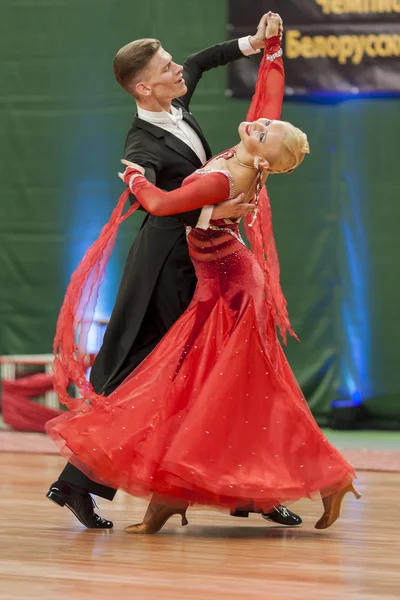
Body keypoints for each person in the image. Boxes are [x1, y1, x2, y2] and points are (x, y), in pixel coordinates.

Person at [46, 15, 359, 535]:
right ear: (144, 86)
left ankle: (245, 491)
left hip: (208, 259)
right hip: (168, 265)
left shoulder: (177, 102)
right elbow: (155, 199)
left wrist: (254, 44)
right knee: (167, 374)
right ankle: (96, 481)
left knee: (209, 376)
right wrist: (210, 213)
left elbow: (202, 60)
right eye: (167, 66)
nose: (179, 68)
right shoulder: (142, 143)